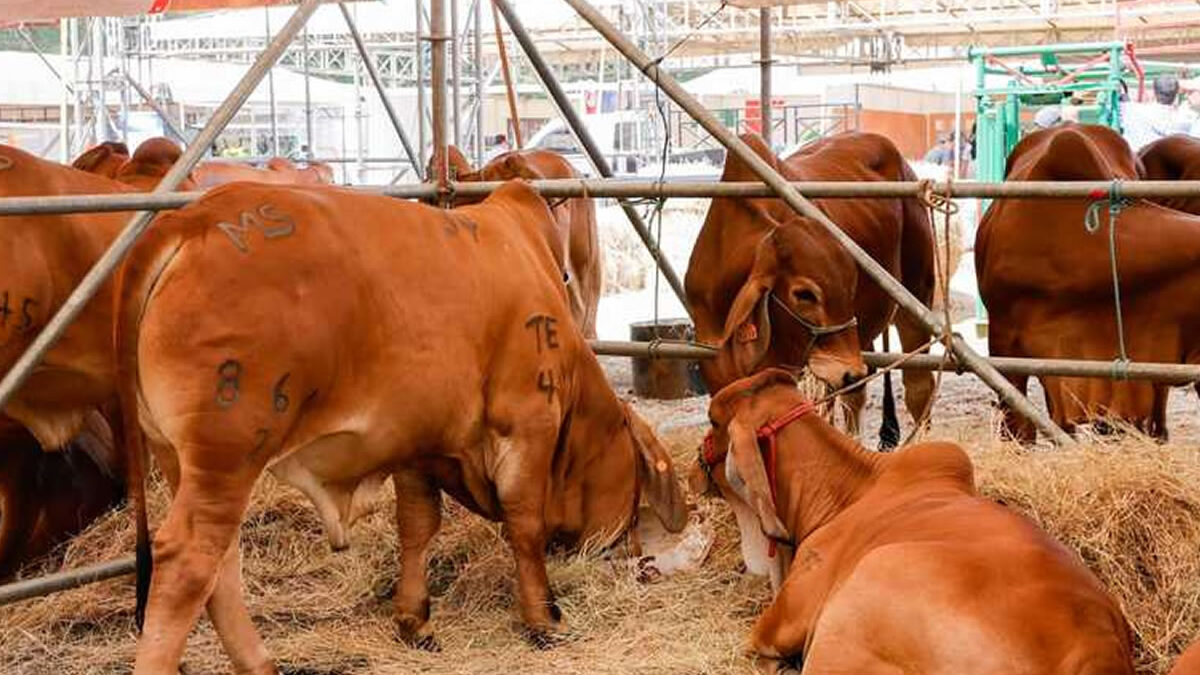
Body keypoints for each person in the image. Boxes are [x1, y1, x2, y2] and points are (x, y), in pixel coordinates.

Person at [1123, 74, 1190, 151]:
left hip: (1139, 160)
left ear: (1154, 91)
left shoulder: (1133, 110)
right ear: (1176, 93)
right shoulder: (1186, 121)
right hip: (1169, 161)